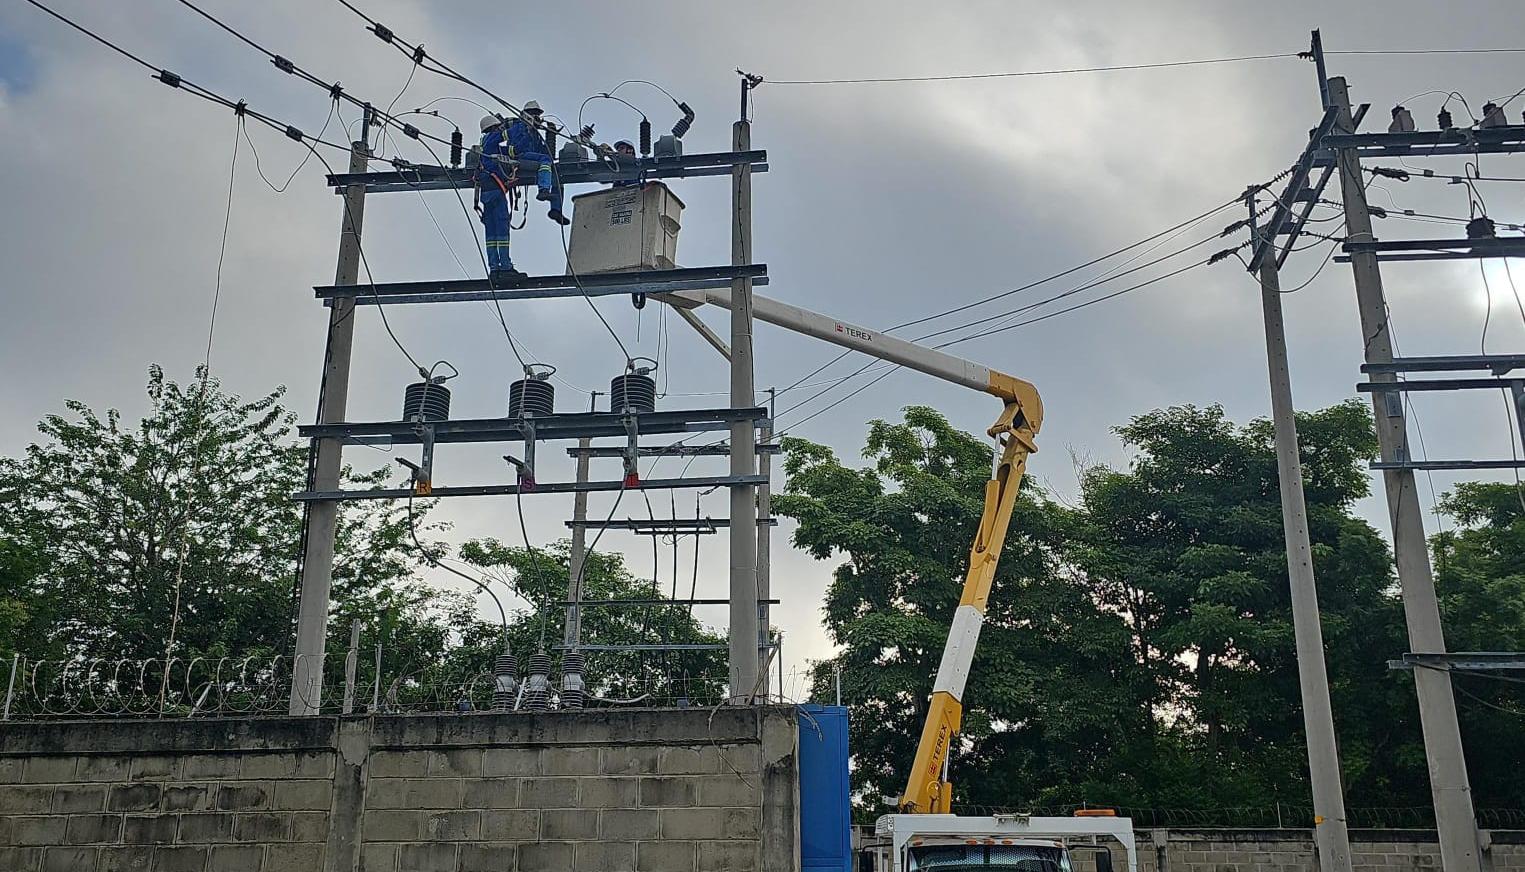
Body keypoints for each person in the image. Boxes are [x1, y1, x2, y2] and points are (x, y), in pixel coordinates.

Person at [476, 114, 523, 284]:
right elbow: (507, 134)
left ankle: (494, 269)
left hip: (487, 193)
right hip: (495, 190)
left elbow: (508, 152)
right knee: (502, 230)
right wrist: (519, 122)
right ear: (494, 127)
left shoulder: (487, 146)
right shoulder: (491, 138)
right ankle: (505, 267)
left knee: (492, 232)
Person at [507, 100, 570, 226]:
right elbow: (516, 148)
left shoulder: (535, 132)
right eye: (533, 113)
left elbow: (542, 150)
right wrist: (528, 130)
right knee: (545, 161)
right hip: (520, 158)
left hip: (533, 160)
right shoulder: (518, 127)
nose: (536, 116)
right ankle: (543, 190)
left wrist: (551, 135)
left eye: (537, 114)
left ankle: (556, 210)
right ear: (525, 114)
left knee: (558, 174)